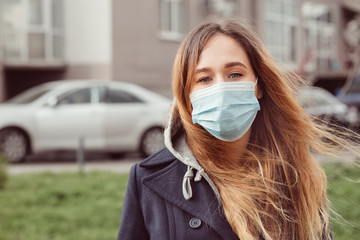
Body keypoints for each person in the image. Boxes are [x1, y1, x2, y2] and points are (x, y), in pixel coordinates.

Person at [117, 18, 358, 240]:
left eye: (234, 74)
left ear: (259, 86)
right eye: (204, 79)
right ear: (187, 97)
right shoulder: (147, 179)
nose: (221, 88)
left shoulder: (297, 174)